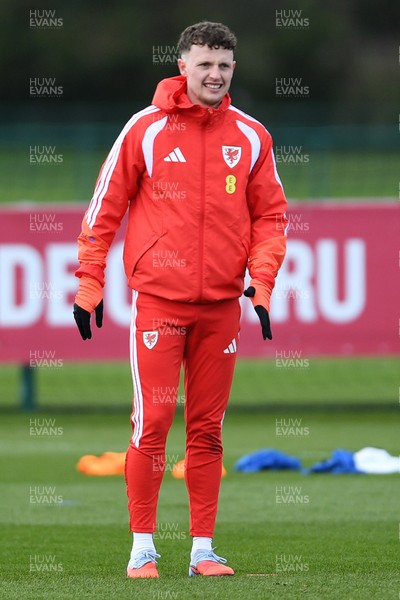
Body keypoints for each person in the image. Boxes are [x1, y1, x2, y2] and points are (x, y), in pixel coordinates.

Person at [73, 21, 288, 579]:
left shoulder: (252, 136)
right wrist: (89, 281)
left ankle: (202, 551)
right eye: (204, 65)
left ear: (233, 69)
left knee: (208, 428)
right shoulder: (144, 130)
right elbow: (104, 210)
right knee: (153, 424)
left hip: (222, 308)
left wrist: (260, 283)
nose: (214, 75)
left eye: (223, 65)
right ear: (183, 67)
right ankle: (142, 549)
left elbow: (271, 218)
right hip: (159, 306)